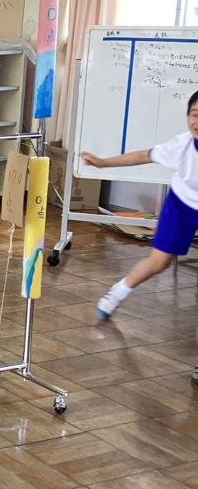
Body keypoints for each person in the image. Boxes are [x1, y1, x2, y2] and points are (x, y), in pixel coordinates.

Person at [84, 90, 198, 322]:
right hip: (181, 206)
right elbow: (143, 156)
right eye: (194, 114)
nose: (196, 122)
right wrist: (102, 163)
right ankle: (117, 293)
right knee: (159, 262)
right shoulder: (181, 145)